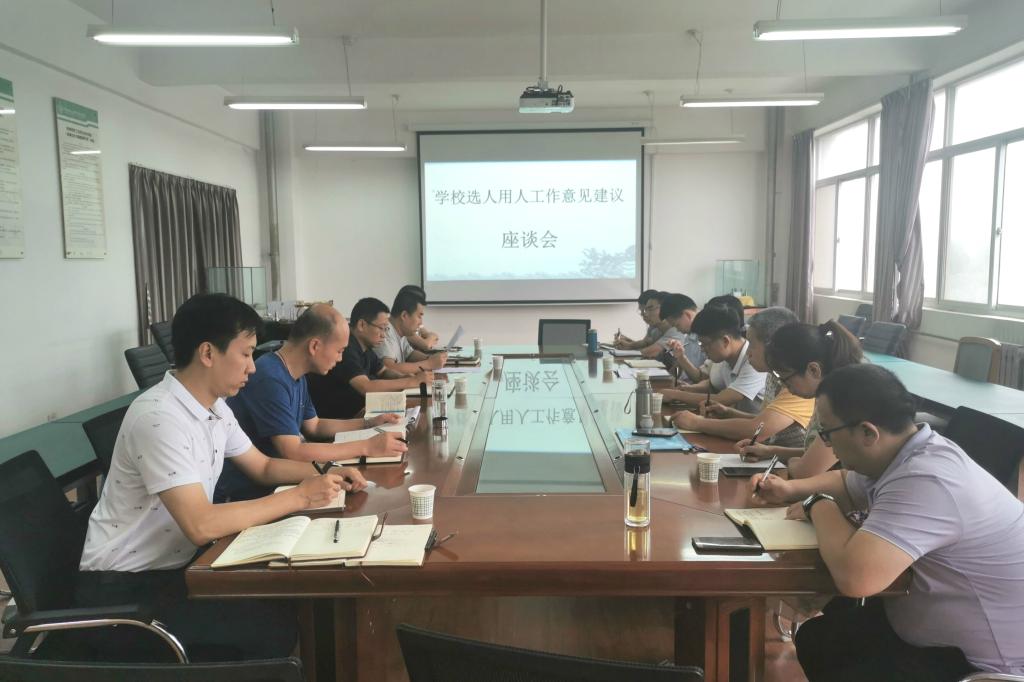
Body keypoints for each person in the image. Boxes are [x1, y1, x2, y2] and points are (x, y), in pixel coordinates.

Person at [76, 294, 368, 661]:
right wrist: (300, 496)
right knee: (271, 628)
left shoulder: (214, 408)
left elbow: (263, 466)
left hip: (176, 567)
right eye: (245, 354)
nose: (253, 367)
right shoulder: (159, 418)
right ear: (208, 353)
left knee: (288, 600)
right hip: (123, 593)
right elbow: (201, 524)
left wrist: (329, 473)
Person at [754, 363, 1024, 681]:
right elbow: (846, 482)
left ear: (868, 433)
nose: (827, 445)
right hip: (933, 632)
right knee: (821, 639)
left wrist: (817, 504)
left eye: (827, 434)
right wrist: (791, 489)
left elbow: (857, 578)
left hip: (983, 664)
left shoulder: (928, 479)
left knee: (838, 650)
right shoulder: (906, 454)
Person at [215, 303, 408, 502]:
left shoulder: (296, 374)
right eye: (339, 351)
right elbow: (293, 451)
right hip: (253, 494)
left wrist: (369, 423)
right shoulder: (269, 377)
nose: (340, 359)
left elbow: (315, 425)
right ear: (315, 346)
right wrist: (367, 446)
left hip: (284, 481)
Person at [738, 319, 863, 478]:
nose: (785, 387)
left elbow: (805, 472)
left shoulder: (841, 405)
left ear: (813, 370)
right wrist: (770, 451)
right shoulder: (825, 395)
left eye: (786, 379)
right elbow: (814, 453)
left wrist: (793, 462)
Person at [671, 307, 813, 446]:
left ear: (773, 346)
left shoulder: (798, 383)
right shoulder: (774, 376)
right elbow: (764, 420)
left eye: (752, 345)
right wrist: (728, 413)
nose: (748, 352)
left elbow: (756, 430)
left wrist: (697, 423)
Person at [307, 297, 433, 419]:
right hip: (342, 419)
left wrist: (404, 377)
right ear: (362, 325)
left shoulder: (365, 347)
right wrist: (411, 381)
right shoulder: (346, 348)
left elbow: (383, 371)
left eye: (386, 329)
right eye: (381, 328)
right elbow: (366, 387)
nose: (384, 335)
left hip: (363, 411)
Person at [659, 305, 766, 412]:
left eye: (705, 344)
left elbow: (722, 399)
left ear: (725, 341)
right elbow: (714, 384)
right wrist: (690, 389)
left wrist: (676, 395)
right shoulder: (723, 357)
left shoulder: (755, 360)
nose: (702, 349)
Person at [375, 289, 448, 375]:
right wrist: (429, 363)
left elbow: (410, 354)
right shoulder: (385, 332)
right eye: (419, 316)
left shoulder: (401, 331)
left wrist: (430, 358)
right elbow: (389, 368)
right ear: (404, 315)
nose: (421, 323)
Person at [638, 293, 704, 368]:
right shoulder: (690, 335)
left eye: (677, 325)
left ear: (687, 315)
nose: (677, 330)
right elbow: (681, 369)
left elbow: (699, 374)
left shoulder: (705, 335)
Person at [396, 284, 440, 353]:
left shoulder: (416, 323)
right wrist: (430, 337)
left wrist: (430, 337)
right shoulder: (406, 327)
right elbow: (426, 345)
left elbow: (431, 335)